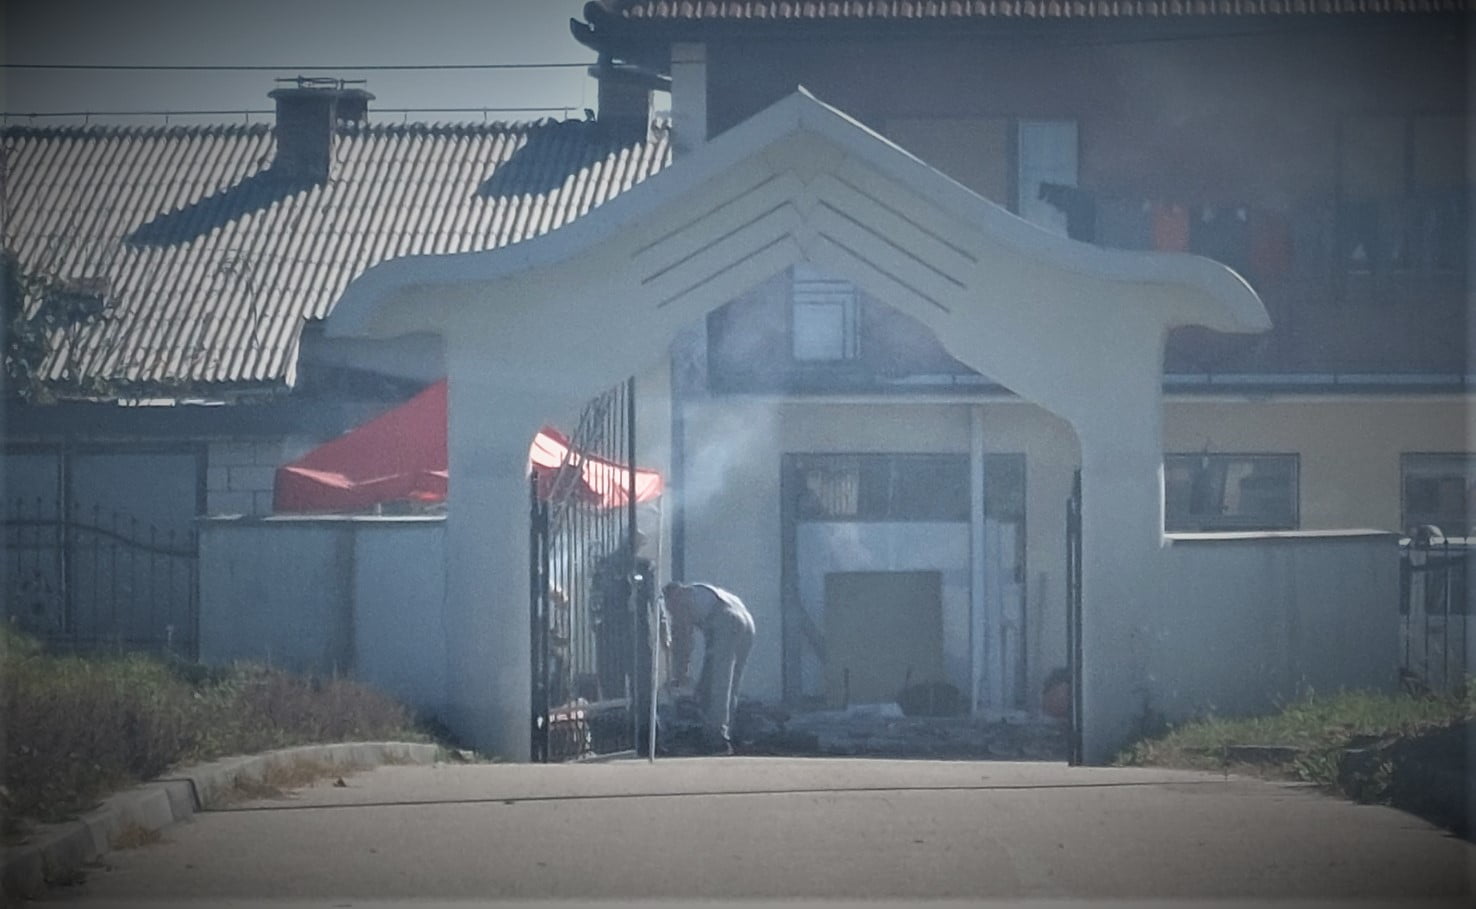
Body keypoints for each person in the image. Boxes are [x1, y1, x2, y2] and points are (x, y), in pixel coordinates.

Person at [661, 581, 755, 755]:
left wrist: (680, 674)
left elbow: (684, 639)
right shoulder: (698, 591)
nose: (670, 611)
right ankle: (727, 732)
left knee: (719, 684)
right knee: (730, 684)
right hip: (747, 620)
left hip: (726, 621)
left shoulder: (679, 599)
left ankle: (716, 739)